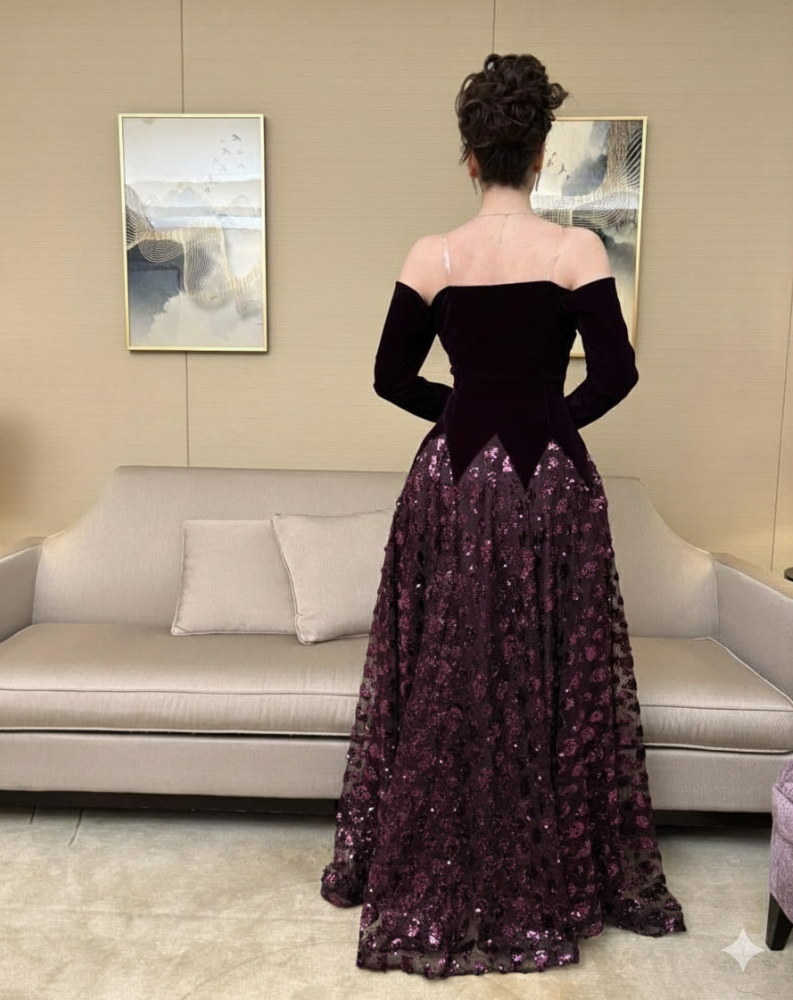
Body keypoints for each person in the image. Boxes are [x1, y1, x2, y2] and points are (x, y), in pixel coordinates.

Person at [320, 52, 687, 978]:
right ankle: (546, 867)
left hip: (450, 481)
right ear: (541, 153)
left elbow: (388, 377)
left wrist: (461, 413)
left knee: (447, 671)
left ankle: (440, 863)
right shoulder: (575, 251)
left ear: (471, 156)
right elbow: (617, 374)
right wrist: (550, 419)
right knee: (553, 668)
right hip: (548, 484)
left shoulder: (432, 255)